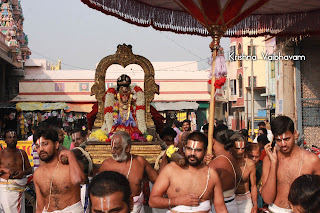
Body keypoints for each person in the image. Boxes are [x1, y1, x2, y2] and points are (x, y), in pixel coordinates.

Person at [149, 131, 228, 213]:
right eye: (189, 149)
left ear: (205, 151)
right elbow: (152, 201)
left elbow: (221, 208)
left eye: (198, 150)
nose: (192, 153)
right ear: (184, 147)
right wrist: (177, 201)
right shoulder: (171, 170)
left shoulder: (211, 174)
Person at [260, 115, 320, 212]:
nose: (283, 144)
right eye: (279, 140)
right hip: (275, 210)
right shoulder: (269, 160)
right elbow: (267, 199)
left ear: (295, 134)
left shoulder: (311, 160)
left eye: (287, 139)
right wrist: (274, 164)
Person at [99, 131, 158, 213]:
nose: (112, 151)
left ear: (127, 148)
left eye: (116, 148)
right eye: (111, 148)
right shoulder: (106, 165)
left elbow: (158, 181)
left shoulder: (140, 162)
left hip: (137, 209)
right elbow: (97, 190)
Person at [33, 127, 85, 212]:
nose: (41, 149)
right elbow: (39, 206)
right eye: (38, 146)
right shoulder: (37, 174)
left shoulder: (70, 166)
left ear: (56, 145)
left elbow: (78, 180)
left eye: (45, 144)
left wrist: (70, 155)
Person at [102, 74, 147, 141]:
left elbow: (135, 107)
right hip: (119, 117)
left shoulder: (132, 95)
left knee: (133, 130)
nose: (124, 89)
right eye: (122, 87)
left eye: (126, 87)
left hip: (130, 117)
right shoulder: (116, 95)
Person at [0, 130, 32, 213]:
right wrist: (4, 169)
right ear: (5, 140)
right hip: (6, 189)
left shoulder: (22, 153)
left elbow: (29, 169)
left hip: (19, 188)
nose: (12, 139)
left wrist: (22, 173)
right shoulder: (1, 154)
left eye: (14, 137)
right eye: (9, 137)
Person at [208, 124, 239, 213]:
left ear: (212, 141)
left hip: (220, 207)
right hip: (232, 203)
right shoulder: (230, 156)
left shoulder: (216, 163)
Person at [230, 133, 258, 213]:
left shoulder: (250, 164)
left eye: (243, 148)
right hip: (230, 200)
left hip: (246, 201)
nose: (240, 151)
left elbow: (253, 186)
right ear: (231, 148)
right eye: (237, 148)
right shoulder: (227, 162)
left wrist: (255, 204)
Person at [246, 143, 264, 209]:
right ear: (246, 154)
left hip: (258, 193)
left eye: (256, 157)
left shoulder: (263, 165)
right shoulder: (244, 165)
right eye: (251, 156)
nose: (254, 159)